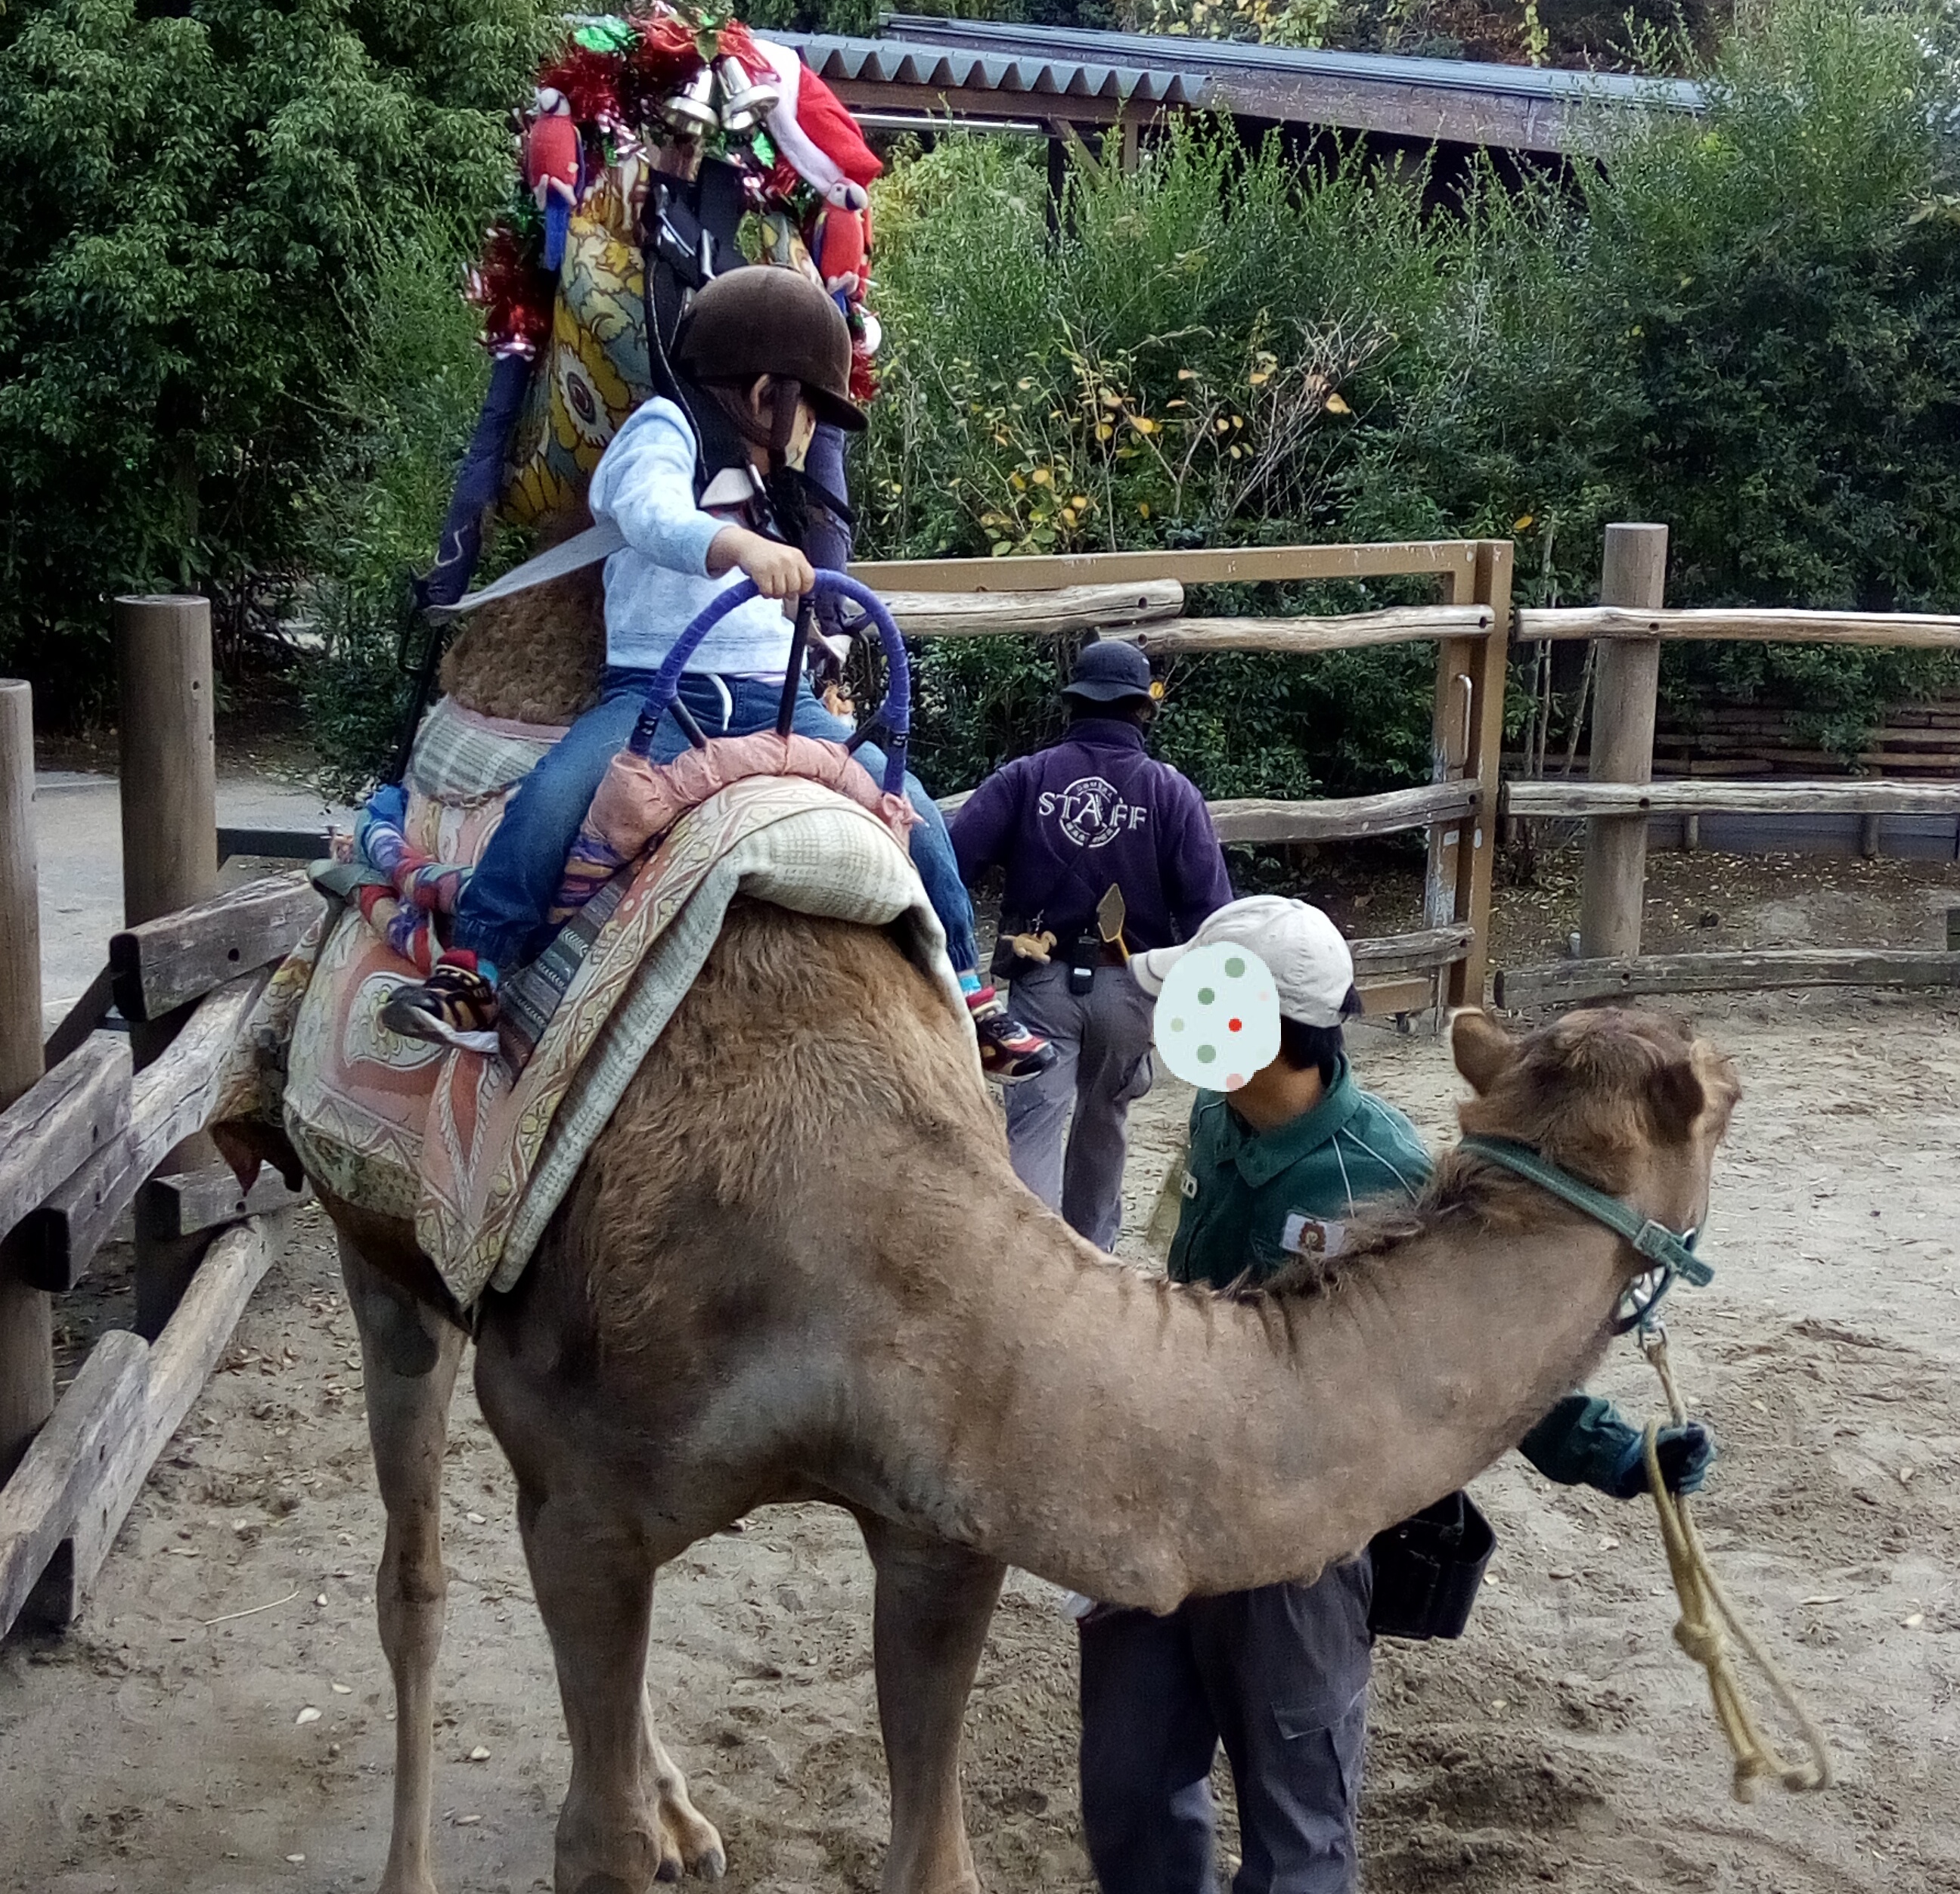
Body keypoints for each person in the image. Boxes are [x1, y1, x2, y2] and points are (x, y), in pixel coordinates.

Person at [1077, 895, 1716, 1894]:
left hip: (1298, 1543)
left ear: (1268, 1032)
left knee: (1296, 1823)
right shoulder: (1216, 1113)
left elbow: (1469, 1366)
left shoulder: (1377, 1172)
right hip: (1159, 1498)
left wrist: (1616, 1455)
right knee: (1128, 1785)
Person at [381, 267, 1053, 1080]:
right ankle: (475, 971)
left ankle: (967, 994)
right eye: (808, 405)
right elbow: (650, 512)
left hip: (784, 702)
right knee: (559, 791)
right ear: (766, 390)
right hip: (664, 692)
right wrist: (735, 546)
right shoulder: (666, 432)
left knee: (908, 805)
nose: (810, 430)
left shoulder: (775, 482)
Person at [950, 639, 1231, 1248]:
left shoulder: (1024, 779)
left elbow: (949, 868)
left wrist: (961, 960)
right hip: (1131, 986)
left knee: (1033, 1125)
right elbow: (1213, 912)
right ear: (1142, 709)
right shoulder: (1170, 792)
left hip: (1042, 983)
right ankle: (1092, 1262)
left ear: (1074, 703)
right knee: (1106, 1124)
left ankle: (1029, 1265)